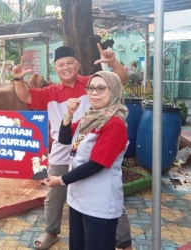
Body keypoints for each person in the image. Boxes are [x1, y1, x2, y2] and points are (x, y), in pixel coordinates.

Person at [12, 44, 133, 250]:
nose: (66, 67)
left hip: (93, 153)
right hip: (63, 152)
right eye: (61, 64)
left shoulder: (91, 84)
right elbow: (25, 96)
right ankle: (51, 231)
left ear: (78, 64)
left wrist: (112, 62)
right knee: (56, 197)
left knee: (109, 200)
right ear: (55, 68)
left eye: (70, 62)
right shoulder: (49, 92)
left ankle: (124, 242)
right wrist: (17, 78)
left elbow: (120, 80)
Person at [42, 71, 128, 250]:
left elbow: (96, 164)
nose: (94, 93)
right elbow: (65, 139)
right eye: (91, 88)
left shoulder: (114, 124)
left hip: (99, 201)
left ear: (113, 91)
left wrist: (61, 180)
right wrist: (68, 114)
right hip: (78, 199)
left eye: (101, 88)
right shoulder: (89, 117)